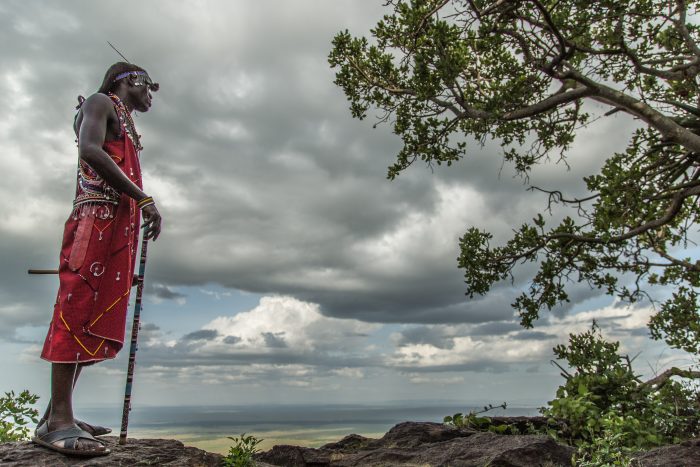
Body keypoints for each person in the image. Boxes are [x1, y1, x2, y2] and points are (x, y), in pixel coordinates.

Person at [32, 62, 162, 457]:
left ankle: (57, 412)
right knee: (75, 310)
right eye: (149, 86)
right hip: (95, 222)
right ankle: (57, 424)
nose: (151, 96)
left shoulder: (121, 118)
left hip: (113, 228)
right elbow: (90, 151)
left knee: (93, 318)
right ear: (128, 80)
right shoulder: (100, 102)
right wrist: (142, 197)